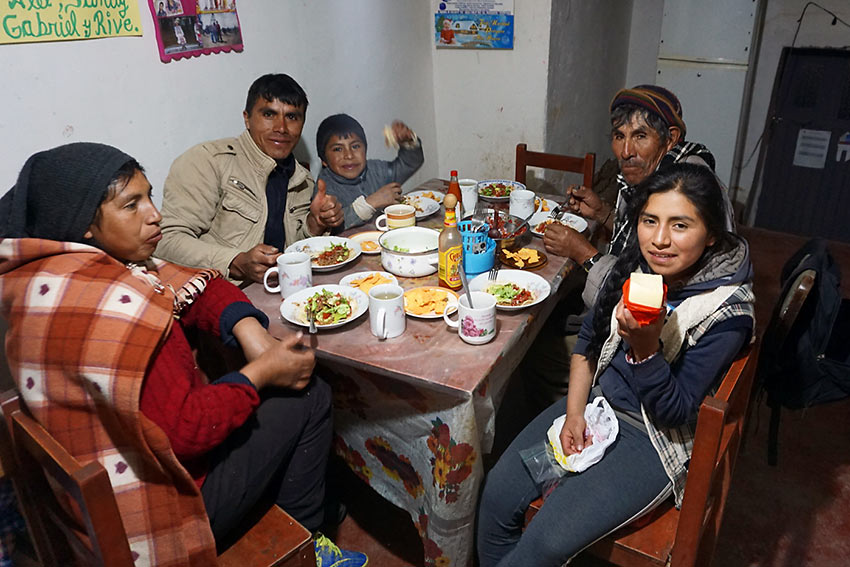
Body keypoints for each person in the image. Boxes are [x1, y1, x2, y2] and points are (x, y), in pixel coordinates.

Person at [0, 143, 365, 566]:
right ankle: (308, 543)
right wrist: (261, 372)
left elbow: (192, 282)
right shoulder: (117, 309)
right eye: (131, 205)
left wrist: (248, 330)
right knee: (310, 395)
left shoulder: (49, 279)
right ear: (85, 224)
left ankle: (307, 510)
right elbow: (188, 432)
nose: (154, 213)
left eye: (148, 196)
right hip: (161, 510)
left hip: (95, 508)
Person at [477, 163, 755, 566]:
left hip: (653, 437)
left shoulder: (725, 312)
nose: (659, 240)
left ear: (711, 234)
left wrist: (645, 350)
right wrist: (574, 414)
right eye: (649, 221)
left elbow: (674, 411)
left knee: (544, 544)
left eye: (680, 226)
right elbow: (588, 343)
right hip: (598, 404)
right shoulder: (640, 268)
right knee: (497, 498)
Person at [521, 84, 733, 410]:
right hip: (641, 312)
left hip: (663, 338)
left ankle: (561, 412)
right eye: (619, 136)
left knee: (531, 350)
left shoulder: (683, 189)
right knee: (550, 312)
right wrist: (603, 213)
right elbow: (639, 246)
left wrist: (584, 253)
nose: (625, 150)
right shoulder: (662, 173)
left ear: (670, 138)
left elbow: (642, 294)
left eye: (640, 136)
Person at [155, 74, 343, 285]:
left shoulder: (302, 179)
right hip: (216, 295)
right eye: (269, 114)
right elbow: (166, 241)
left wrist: (314, 225)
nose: (281, 127)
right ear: (247, 118)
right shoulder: (208, 161)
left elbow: (291, 252)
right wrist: (234, 262)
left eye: (292, 117)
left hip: (275, 290)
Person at [316, 114, 424, 230]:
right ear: (324, 160)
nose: (349, 155)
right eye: (338, 149)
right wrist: (370, 203)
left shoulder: (375, 170)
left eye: (355, 146)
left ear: (365, 149)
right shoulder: (323, 188)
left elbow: (410, 163)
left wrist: (408, 141)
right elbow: (329, 227)